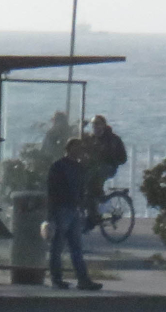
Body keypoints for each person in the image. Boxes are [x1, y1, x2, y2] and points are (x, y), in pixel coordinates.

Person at [47, 137, 102, 291]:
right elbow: (52, 191)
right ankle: (58, 279)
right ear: (69, 149)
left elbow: (82, 189)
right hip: (62, 209)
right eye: (77, 148)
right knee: (58, 246)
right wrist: (51, 213)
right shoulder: (59, 167)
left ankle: (82, 279)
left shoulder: (77, 167)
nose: (80, 151)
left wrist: (83, 207)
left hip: (73, 209)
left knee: (75, 246)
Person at [86, 113, 128, 230]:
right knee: (86, 185)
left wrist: (112, 160)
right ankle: (92, 210)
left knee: (94, 184)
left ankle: (95, 213)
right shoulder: (91, 138)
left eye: (98, 124)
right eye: (93, 124)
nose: (95, 127)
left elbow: (123, 158)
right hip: (94, 168)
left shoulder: (113, 139)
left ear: (104, 125)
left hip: (108, 167)